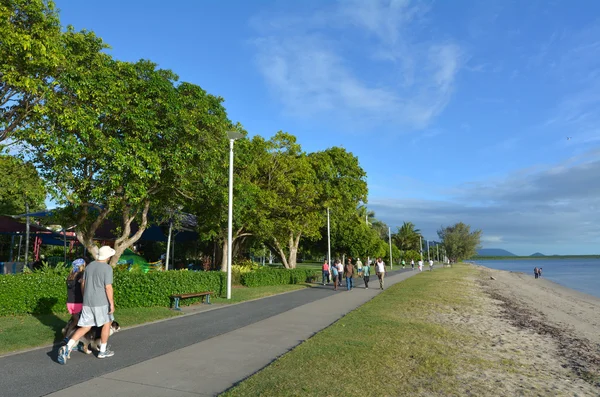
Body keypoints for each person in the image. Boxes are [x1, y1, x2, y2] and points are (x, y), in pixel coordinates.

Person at [58, 246, 117, 364]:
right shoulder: (107, 268)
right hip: (101, 302)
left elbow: (83, 284)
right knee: (107, 323)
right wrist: (111, 303)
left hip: (88, 302)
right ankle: (103, 351)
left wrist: (86, 297)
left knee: (85, 326)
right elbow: (108, 287)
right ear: (108, 257)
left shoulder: (89, 267)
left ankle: (67, 347)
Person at [63, 258, 86, 341]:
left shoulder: (70, 276)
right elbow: (83, 288)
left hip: (70, 303)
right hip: (78, 302)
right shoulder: (81, 275)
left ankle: (66, 336)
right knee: (82, 324)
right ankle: (74, 340)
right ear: (82, 266)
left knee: (74, 321)